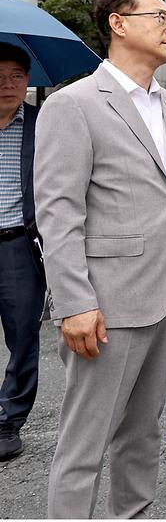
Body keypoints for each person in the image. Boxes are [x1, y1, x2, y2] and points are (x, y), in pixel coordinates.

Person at [35, 0, 166, 518]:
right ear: (119, 24)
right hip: (105, 304)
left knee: (142, 434)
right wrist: (74, 303)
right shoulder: (73, 104)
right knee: (84, 444)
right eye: (159, 16)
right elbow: (59, 213)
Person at [0, 43, 45, 461]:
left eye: (16, 75)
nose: (7, 85)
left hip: (17, 244)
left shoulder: (41, 123)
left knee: (23, 337)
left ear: (28, 80)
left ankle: (8, 420)